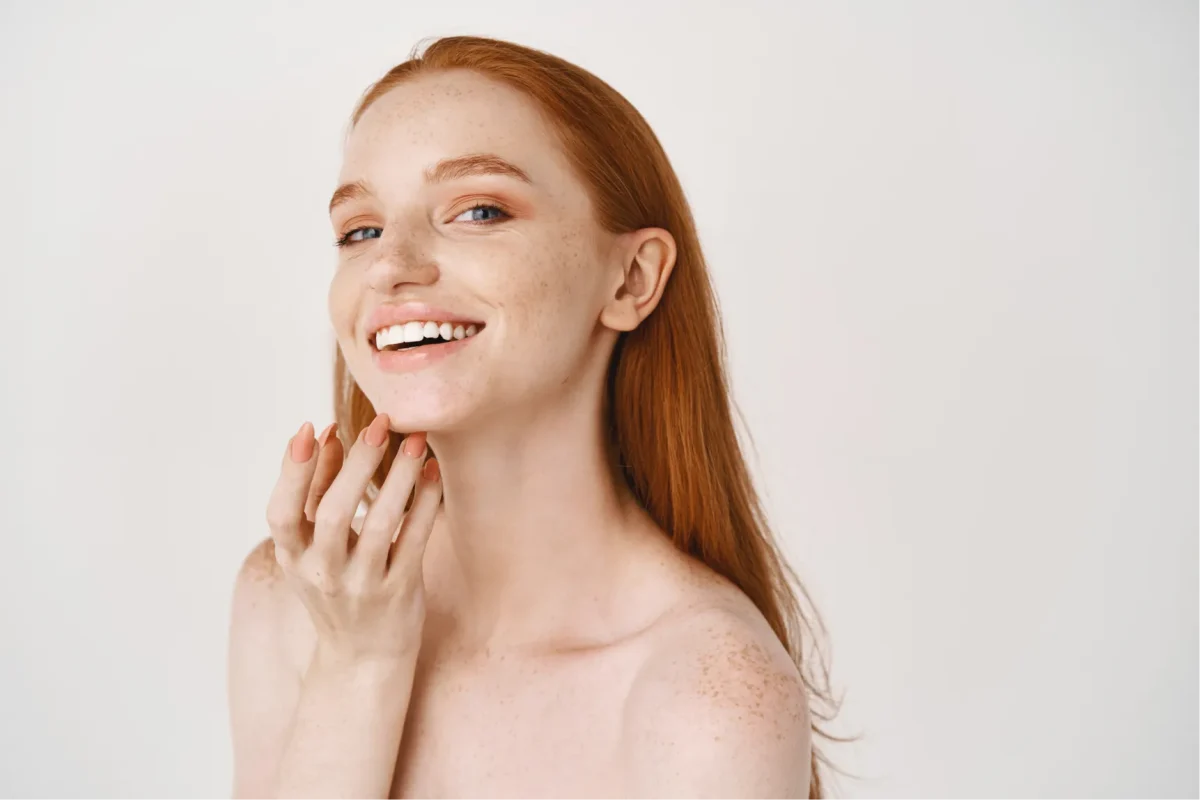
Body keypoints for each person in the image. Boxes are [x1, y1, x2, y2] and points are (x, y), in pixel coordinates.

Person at [227, 35, 837, 800]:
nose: (390, 264)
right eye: (361, 230)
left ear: (632, 279)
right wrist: (358, 665)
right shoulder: (292, 598)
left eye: (479, 210)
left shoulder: (709, 698)